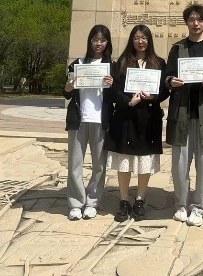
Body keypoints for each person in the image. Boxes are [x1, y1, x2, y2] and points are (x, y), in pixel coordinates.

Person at [164, 4, 203, 227]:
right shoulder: (178, 48)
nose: (196, 23)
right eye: (191, 19)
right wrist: (171, 81)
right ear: (186, 22)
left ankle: (199, 207)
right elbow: (167, 75)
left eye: (200, 19)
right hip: (181, 113)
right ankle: (181, 205)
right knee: (179, 165)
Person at [107, 24, 169, 222]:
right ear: (131, 40)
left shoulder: (159, 62)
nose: (140, 41)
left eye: (144, 38)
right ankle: (124, 199)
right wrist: (128, 101)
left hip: (148, 119)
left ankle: (140, 199)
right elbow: (114, 89)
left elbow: (165, 90)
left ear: (149, 40)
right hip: (126, 117)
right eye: (137, 38)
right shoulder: (122, 62)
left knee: (144, 161)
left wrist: (154, 96)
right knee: (124, 160)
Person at [64, 24, 115, 221]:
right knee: (75, 164)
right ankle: (76, 203)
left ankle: (92, 202)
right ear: (90, 41)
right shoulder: (77, 64)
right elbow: (66, 93)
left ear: (107, 43)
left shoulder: (112, 66)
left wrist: (112, 85)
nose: (98, 43)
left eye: (103, 40)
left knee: (99, 165)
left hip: (101, 121)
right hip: (79, 120)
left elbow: (117, 95)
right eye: (95, 39)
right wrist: (69, 86)